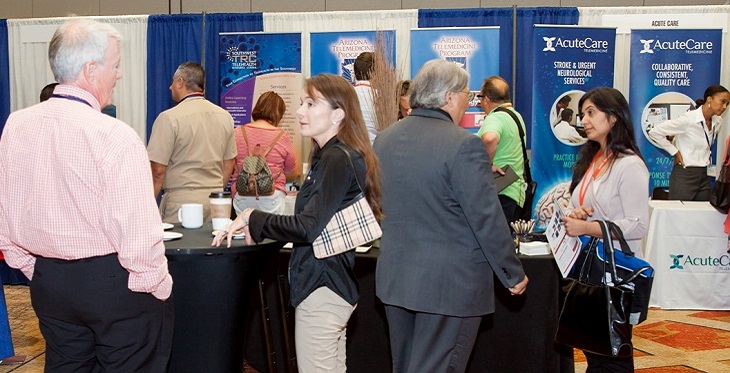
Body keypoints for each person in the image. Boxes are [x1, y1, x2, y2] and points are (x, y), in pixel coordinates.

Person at [0, 19, 173, 372]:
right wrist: (157, 284)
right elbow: (139, 235)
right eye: (117, 64)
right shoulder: (114, 135)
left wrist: (40, 268)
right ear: (91, 70)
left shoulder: (16, 125)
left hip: (51, 286)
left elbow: (8, 214)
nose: (120, 74)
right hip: (116, 284)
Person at [213, 74, 381, 373]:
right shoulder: (332, 156)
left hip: (322, 288)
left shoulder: (336, 159)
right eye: (301, 103)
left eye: (310, 104)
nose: (300, 111)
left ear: (338, 113)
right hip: (328, 285)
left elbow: (307, 227)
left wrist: (253, 218)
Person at [373, 59, 528, 373]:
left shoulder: (384, 140)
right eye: (466, 96)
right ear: (448, 97)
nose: (467, 103)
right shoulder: (464, 146)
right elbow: (486, 218)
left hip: (396, 279)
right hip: (449, 286)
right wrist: (512, 273)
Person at [562, 87, 649, 372]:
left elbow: (637, 224)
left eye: (591, 113)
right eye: (581, 114)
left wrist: (588, 226)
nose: (583, 120)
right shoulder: (594, 159)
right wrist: (581, 212)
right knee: (593, 349)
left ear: (613, 118)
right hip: (590, 270)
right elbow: (595, 207)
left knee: (613, 355)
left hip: (614, 272)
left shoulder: (629, 165)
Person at [147, 61, 237, 223]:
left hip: (181, 202)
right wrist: (215, 189)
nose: (170, 87)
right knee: (213, 247)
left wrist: (146, 205)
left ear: (180, 82)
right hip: (215, 203)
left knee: (179, 247)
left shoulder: (168, 118)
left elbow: (157, 171)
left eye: (172, 83)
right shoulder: (225, 117)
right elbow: (229, 163)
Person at [648, 85, 730, 201]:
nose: (724, 107)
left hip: (704, 175)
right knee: (679, 215)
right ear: (709, 99)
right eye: (722, 102)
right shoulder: (689, 119)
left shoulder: (717, 121)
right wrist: (674, 151)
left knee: (703, 215)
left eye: (727, 104)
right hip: (685, 174)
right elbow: (654, 132)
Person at [232, 91, 298, 214]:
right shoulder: (282, 136)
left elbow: (230, 164)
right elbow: (291, 170)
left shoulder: (238, 132)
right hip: (271, 196)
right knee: (271, 232)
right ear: (279, 113)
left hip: (242, 194)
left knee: (243, 232)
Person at [477, 76, 527, 224]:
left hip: (499, 192)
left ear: (486, 99)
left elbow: (490, 138)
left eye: (480, 98)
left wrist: (486, 164)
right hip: (515, 192)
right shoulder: (516, 116)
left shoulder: (495, 118)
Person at [353, 51, 378, 143]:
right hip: (375, 151)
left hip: (350, 151)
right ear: (375, 73)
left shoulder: (345, 96)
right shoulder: (382, 99)